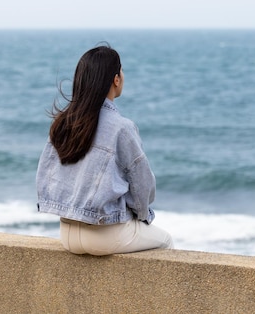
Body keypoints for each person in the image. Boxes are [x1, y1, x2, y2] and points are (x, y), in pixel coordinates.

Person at [36, 44, 173, 255]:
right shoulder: (121, 127)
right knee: (165, 241)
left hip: (67, 233)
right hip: (104, 234)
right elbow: (143, 188)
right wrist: (141, 215)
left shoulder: (63, 122)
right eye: (122, 71)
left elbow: (46, 176)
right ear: (116, 79)